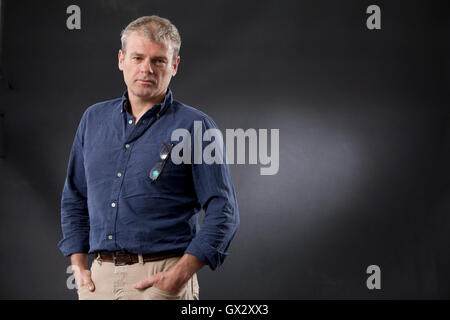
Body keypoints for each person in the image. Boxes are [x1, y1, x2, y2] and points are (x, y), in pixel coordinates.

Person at [57, 15, 239, 300]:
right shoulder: (93, 119)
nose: (146, 69)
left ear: (174, 66)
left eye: (158, 60)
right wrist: (79, 266)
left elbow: (224, 212)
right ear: (121, 59)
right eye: (138, 57)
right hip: (98, 282)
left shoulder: (196, 127)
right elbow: (74, 198)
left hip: (161, 282)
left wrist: (179, 275)